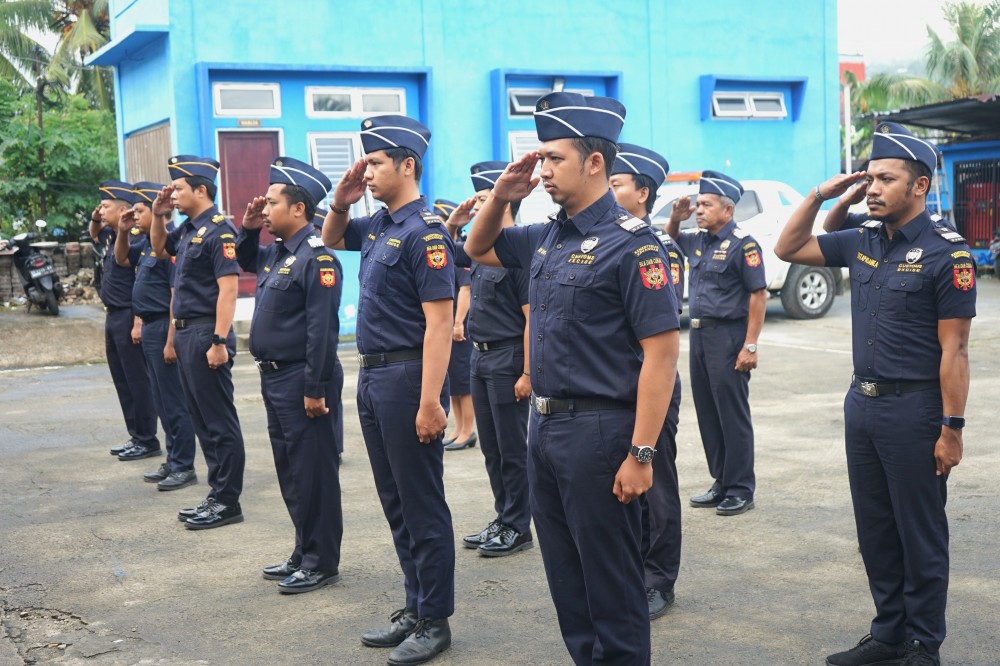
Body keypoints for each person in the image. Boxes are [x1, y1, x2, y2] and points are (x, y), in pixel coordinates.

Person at [464, 92, 680, 665]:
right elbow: (476, 246)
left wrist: (642, 452)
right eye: (541, 159)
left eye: (554, 159)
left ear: (594, 162)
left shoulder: (634, 244)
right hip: (546, 428)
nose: (543, 170)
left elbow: (661, 355)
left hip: (601, 432)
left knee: (611, 584)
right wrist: (504, 197)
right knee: (567, 580)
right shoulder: (545, 236)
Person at [775, 122, 976, 666]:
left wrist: (951, 429)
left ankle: (921, 644)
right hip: (860, 405)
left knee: (920, 532)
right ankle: (888, 633)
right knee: (876, 528)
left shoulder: (946, 254)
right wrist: (823, 195)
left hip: (915, 411)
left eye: (886, 179)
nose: (873, 188)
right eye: (870, 178)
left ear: (919, 186)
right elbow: (788, 246)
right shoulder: (864, 238)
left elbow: (954, 351)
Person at [321, 115, 454, 665]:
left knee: (422, 502)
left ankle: (436, 619)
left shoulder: (426, 232)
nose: (368, 171)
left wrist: (430, 400)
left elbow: (441, 324)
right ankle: (414, 603)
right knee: (395, 501)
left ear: (408, 165)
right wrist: (342, 199)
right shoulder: (378, 225)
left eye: (376, 163)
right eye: (366, 161)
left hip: (407, 378)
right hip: (373, 375)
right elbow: (329, 239)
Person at [236, 157, 345, 594]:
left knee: (313, 472)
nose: (265, 209)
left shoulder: (316, 259)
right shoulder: (279, 253)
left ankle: (322, 562)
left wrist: (315, 388)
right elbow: (246, 260)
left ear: (298, 209)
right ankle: (304, 550)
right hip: (274, 379)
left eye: (273, 202)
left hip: (302, 379)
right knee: (291, 471)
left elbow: (322, 331)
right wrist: (245, 228)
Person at [149, 155, 247, 531]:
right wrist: (158, 216)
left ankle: (228, 500)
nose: (172, 194)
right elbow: (160, 250)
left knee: (219, 420)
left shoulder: (220, 231)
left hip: (208, 332)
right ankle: (216, 493)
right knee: (203, 420)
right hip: (188, 331)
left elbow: (228, 290)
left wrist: (220, 340)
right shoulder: (190, 229)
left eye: (178, 189)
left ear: (201, 190)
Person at [609, 144, 683, 618]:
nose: (608, 190)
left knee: (656, 484)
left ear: (642, 193)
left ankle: (659, 578)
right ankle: (631, 569)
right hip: (614, 388)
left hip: (651, 384)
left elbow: (660, 332)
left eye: (616, 184)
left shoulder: (659, 249)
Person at [666, 170, 766, 516]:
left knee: (732, 415)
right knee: (709, 413)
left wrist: (749, 344)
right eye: (698, 204)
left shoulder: (743, 244)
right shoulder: (698, 240)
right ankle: (721, 481)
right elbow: (672, 243)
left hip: (728, 336)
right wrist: (675, 221)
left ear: (727, 209)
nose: (699, 210)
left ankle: (741, 488)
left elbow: (758, 294)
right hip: (699, 336)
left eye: (706, 205)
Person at [447, 161, 533, 557]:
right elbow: (447, 257)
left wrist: (529, 372)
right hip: (480, 359)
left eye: (486, 200)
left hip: (508, 357)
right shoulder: (481, 252)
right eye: (481, 198)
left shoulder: (515, 250)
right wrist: (453, 224)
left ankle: (518, 525)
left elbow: (532, 316)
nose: (479, 206)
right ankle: (503, 517)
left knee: (513, 449)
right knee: (493, 448)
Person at [113, 182, 198, 490]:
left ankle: (183, 465)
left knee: (174, 401)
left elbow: (176, 294)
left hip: (164, 326)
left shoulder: (168, 248)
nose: (134, 216)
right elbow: (122, 259)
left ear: (155, 211)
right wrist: (122, 231)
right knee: (161, 401)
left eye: (139, 211)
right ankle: (173, 458)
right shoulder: (149, 245)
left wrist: (170, 339)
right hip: (150, 327)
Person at [89, 180, 160, 461]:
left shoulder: (139, 238)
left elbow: (140, 283)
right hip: (113, 316)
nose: (101, 210)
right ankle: (136, 435)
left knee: (138, 381)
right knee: (122, 380)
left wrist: (138, 321)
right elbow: (92, 232)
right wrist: (97, 217)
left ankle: (148, 439)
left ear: (123, 210)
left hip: (130, 315)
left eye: (106, 206)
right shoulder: (112, 234)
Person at [436, 199, 476, 450]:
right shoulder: (445, 249)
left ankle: (468, 431)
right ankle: (459, 428)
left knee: (464, 382)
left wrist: (458, 323)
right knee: (453, 381)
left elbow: (466, 289)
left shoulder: (461, 249)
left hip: (459, 325)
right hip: (449, 325)